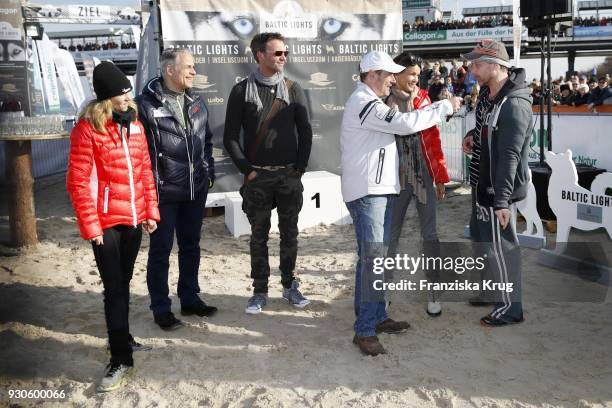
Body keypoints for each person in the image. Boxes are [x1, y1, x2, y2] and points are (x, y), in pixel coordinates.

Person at [341, 50, 460, 356]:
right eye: (389, 74)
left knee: (372, 260)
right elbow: (406, 124)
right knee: (373, 261)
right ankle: (365, 329)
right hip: (369, 193)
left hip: (377, 190)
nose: (393, 79)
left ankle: (376, 317)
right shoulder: (364, 102)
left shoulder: (368, 101)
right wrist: (444, 106)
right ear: (372, 75)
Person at [66, 61, 160, 392]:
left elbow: (145, 170)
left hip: (133, 220)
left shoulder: (135, 126)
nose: (127, 97)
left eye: (127, 91)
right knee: (114, 288)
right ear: (106, 97)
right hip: (104, 223)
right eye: (121, 93)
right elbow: (77, 182)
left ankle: (122, 337)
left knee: (123, 281)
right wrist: (90, 226)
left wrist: (151, 211)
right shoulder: (87, 129)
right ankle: (120, 357)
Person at [223, 32, 313, 314]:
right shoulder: (241, 91)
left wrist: (298, 169)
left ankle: (289, 286)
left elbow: (306, 131)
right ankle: (259, 291)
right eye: (278, 53)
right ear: (260, 55)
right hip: (257, 178)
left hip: (288, 177)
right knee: (258, 236)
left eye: (285, 52)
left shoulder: (293, 88)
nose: (283, 57)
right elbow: (229, 137)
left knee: (290, 234)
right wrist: (247, 171)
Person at [136, 48, 216, 331]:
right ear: (170, 70)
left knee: (191, 245)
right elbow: (138, 154)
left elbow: (206, 140)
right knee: (160, 251)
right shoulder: (143, 105)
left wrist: (208, 173)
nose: (194, 71)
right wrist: (148, 193)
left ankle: (190, 298)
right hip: (163, 193)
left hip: (195, 190)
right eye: (189, 67)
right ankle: (161, 308)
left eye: (194, 66)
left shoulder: (197, 100)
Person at [461, 39, 533, 326]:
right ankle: (489, 291)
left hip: (497, 190)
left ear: (495, 65)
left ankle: (511, 308)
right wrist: (472, 136)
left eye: (477, 64)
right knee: (483, 243)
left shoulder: (514, 102)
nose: (471, 69)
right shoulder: (489, 95)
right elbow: (487, 130)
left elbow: (510, 156)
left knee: (504, 248)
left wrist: (501, 200)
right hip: (481, 184)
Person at [386, 52, 452, 318]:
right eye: (410, 73)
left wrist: (440, 176)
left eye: (417, 74)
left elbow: (433, 140)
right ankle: (384, 293)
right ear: (397, 74)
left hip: (424, 175)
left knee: (430, 234)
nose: (415, 79)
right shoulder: (384, 101)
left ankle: (434, 293)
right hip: (396, 178)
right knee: (390, 235)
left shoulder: (425, 99)